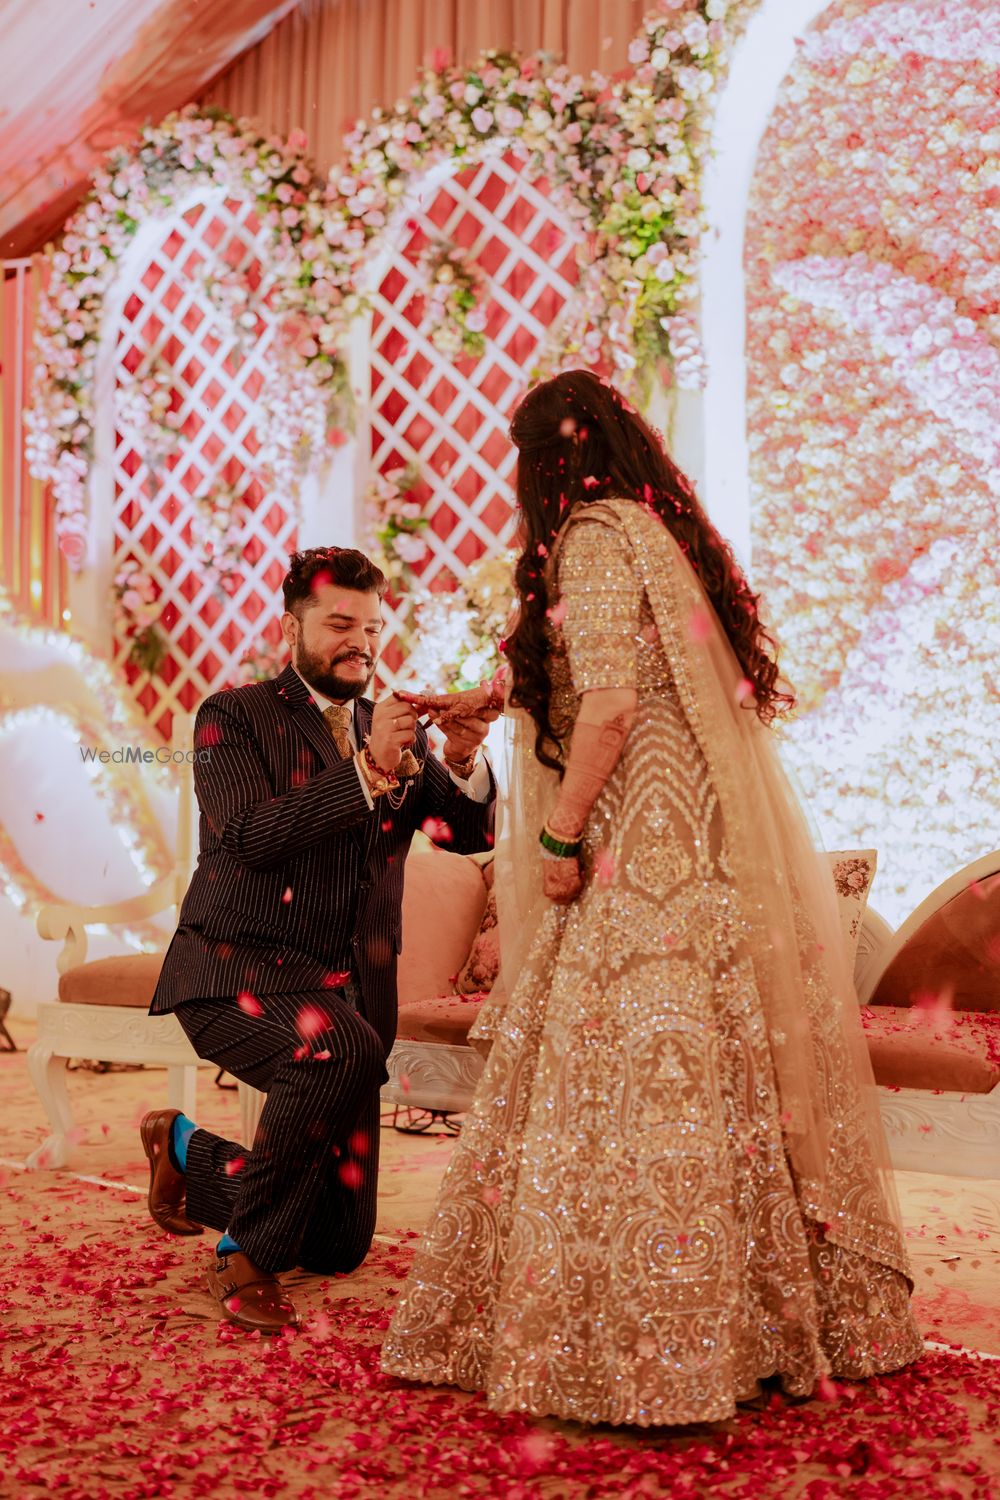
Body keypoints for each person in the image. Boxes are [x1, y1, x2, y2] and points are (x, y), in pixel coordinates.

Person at [380, 370, 922, 1425]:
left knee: (614, 1095)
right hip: (703, 876)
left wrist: (557, 834)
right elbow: (627, 674)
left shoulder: (587, 538)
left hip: (635, 871)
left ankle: (636, 1344)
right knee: (722, 1100)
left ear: (545, 463)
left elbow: (614, 706)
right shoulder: (654, 532)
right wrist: (493, 697)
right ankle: (761, 1331)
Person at [141, 546, 496, 1334]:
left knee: (338, 1244)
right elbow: (249, 838)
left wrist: (462, 753)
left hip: (349, 999)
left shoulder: (388, 728)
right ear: (290, 627)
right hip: (234, 973)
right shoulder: (232, 716)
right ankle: (244, 1255)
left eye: (371, 627)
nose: (360, 643)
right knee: (337, 1046)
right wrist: (367, 772)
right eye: (340, 624)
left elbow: (467, 833)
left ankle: (184, 1150)